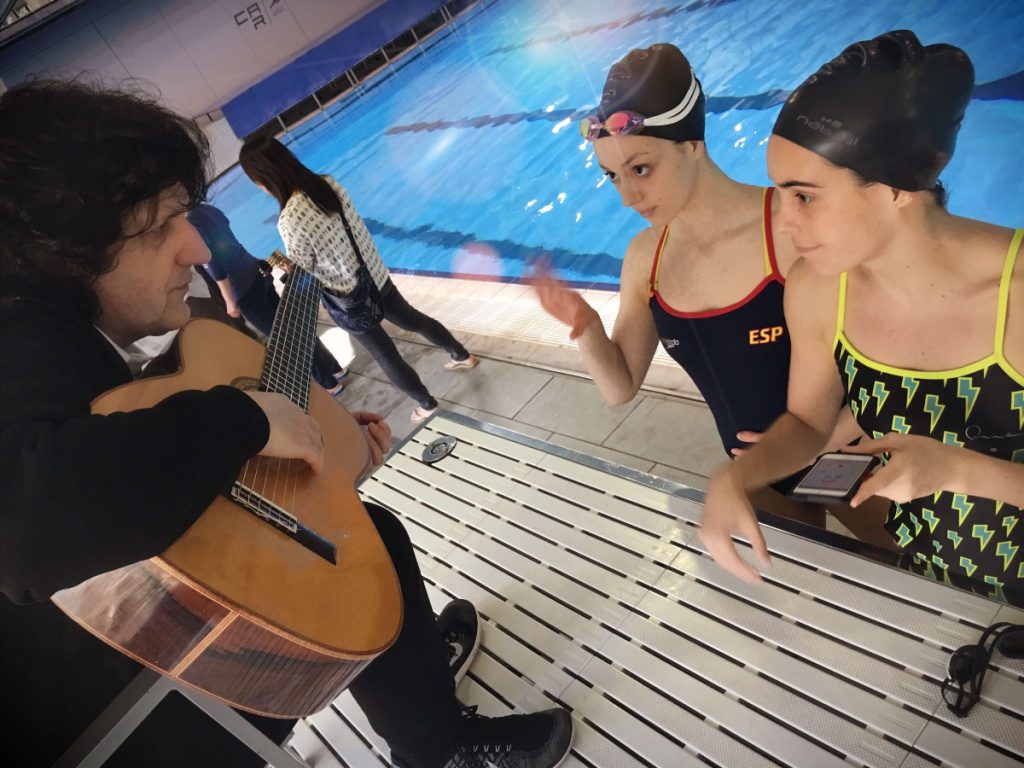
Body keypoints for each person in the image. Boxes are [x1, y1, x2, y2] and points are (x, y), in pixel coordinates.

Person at [0, 80, 573, 768]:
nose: (195, 249)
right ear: (61, 251)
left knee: (369, 535)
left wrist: (296, 433)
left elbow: (106, 450)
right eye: (159, 228)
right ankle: (441, 748)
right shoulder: (19, 330)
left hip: (123, 630)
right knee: (364, 552)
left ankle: (412, 675)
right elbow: (25, 522)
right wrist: (244, 418)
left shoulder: (47, 324)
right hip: (132, 710)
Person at [699, 31, 1023, 602]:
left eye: (804, 196)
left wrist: (958, 471)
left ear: (896, 188)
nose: (781, 223)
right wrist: (735, 479)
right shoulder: (821, 291)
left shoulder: (1015, 294)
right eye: (779, 194)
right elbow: (807, 424)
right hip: (938, 587)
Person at [534, 43, 893, 548]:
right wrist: (585, 325)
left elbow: (898, 348)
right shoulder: (646, 259)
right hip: (758, 472)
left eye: (641, 169)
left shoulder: (789, 230)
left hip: (849, 452)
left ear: (692, 145)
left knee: (935, 583)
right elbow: (620, 387)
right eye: (612, 176)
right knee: (802, 606)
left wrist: (835, 431)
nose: (627, 196)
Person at [238, 136, 479, 423]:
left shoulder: (290, 218)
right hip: (375, 275)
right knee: (415, 320)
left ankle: (427, 404)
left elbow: (305, 271)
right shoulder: (328, 183)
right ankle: (461, 355)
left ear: (263, 180)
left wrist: (288, 270)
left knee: (386, 354)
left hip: (348, 298)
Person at [187, 201, 349, 395]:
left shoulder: (192, 224)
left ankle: (329, 383)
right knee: (296, 325)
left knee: (286, 340)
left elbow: (215, 265)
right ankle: (334, 368)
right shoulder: (207, 209)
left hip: (242, 289)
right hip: (255, 272)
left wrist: (229, 301)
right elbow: (230, 240)